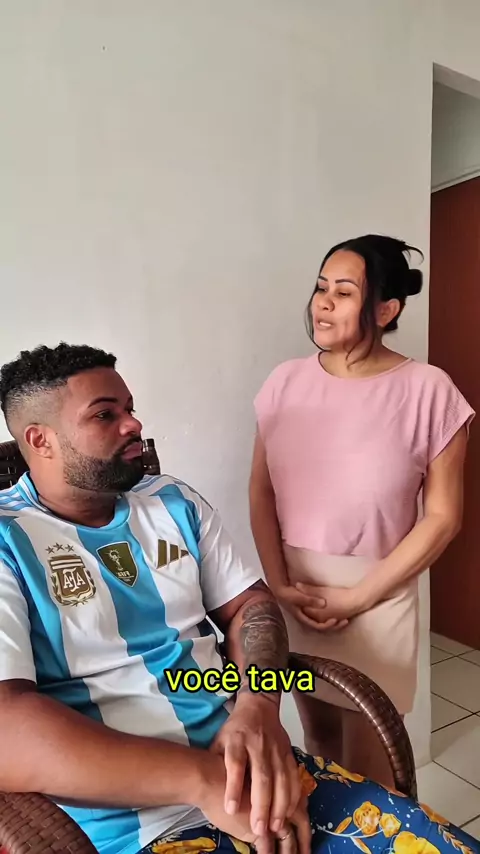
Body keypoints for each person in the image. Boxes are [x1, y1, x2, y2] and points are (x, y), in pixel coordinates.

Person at [0, 343, 477, 854]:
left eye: (130, 408)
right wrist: (203, 781)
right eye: (105, 415)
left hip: (260, 774)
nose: (133, 424)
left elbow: (251, 606)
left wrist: (259, 705)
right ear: (40, 440)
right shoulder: (9, 539)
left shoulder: (172, 502)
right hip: (133, 829)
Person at [250, 235, 475, 785]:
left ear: (385, 309)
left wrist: (359, 597)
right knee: (320, 744)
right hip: (296, 590)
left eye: (344, 292)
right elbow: (262, 492)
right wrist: (279, 584)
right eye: (321, 287)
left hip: (378, 594)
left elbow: (444, 517)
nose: (323, 303)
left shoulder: (429, 391)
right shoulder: (284, 382)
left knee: (371, 766)